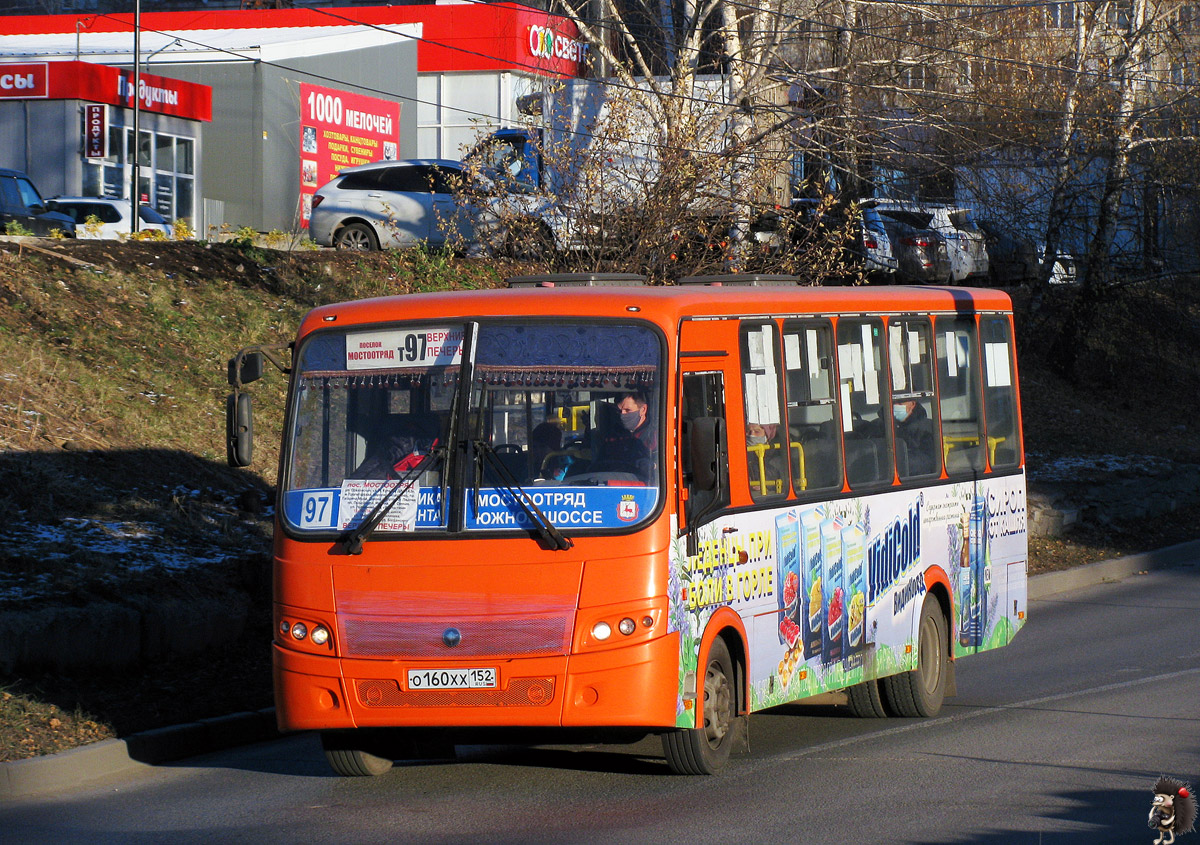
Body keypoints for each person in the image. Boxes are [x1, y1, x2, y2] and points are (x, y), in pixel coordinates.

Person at [893, 399, 938, 476]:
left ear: (912, 404)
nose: (895, 406)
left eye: (900, 403)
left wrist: (899, 462)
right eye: (893, 403)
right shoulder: (885, 426)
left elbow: (929, 461)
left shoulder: (927, 428)